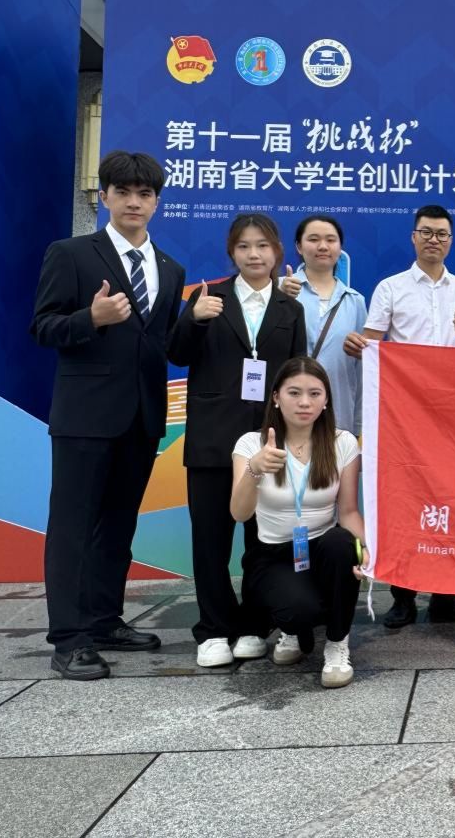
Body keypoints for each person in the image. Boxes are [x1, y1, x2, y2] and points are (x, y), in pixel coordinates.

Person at [30, 151, 185, 680]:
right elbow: (43, 326)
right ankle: (69, 639)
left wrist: (198, 326)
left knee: (118, 525)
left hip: (142, 418)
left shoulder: (170, 268)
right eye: (123, 192)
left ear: (157, 202)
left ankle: (103, 620)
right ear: (105, 197)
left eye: (145, 194)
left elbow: (160, 342)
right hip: (84, 416)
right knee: (72, 527)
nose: (134, 202)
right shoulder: (71, 254)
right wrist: (90, 318)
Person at [169, 213, 307, 668]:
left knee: (261, 539)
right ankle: (212, 629)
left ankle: (253, 624)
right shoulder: (208, 297)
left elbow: (297, 376)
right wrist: (194, 320)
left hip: (268, 441)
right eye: (244, 246)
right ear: (232, 252)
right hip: (213, 438)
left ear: (277, 252)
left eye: (263, 246)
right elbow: (176, 353)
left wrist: (295, 438)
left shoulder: (290, 308)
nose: (254, 254)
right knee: (210, 539)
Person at [363, 204, 455, 628]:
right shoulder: (390, 288)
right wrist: (360, 346)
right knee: (407, 503)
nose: (434, 240)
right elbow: (373, 344)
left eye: (442, 234)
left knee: (453, 499)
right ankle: (403, 596)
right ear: (413, 237)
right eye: (427, 232)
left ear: (451, 241)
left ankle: (447, 595)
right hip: (406, 416)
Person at [231, 357, 367, 688]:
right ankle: (292, 628)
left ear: (326, 400)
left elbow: (349, 511)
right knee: (297, 611)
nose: (304, 402)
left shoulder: (343, 443)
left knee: (342, 545)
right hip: (273, 553)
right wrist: (254, 469)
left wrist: (366, 550)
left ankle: (337, 643)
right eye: (294, 393)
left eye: (314, 394)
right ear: (276, 397)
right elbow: (240, 513)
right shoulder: (250, 444)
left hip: (321, 548)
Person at [278, 214, 369, 435]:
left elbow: (361, 369)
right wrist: (277, 299)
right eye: (313, 239)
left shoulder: (355, 301)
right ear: (299, 246)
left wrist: (359, 423)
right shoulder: (278, 289)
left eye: (330, 240)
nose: (323, 246)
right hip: (285, 412)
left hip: (338, 414)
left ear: (340, 247)